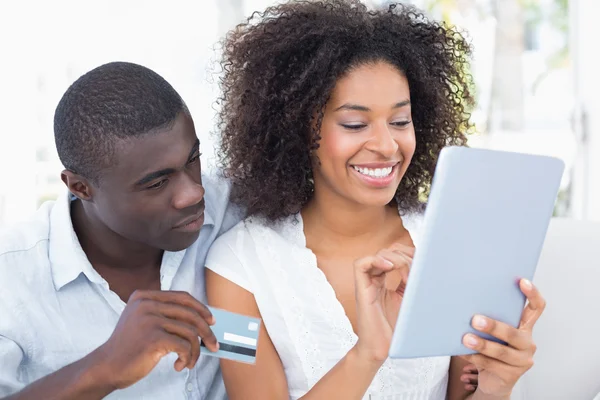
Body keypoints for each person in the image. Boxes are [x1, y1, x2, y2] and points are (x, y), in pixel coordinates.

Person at [204, 1, 544, 399]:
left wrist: (496, 388)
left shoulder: (453, 239)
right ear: (298, 127)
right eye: (355, 124)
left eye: (400, 121)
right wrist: (367, 354)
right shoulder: (232, 268)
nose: (387, 145)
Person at [0, 62, 241, 399]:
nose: (193, 193)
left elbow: (279, 346)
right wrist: (105, 367)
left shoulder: (241, 211)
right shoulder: (11, 280)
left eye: (193, 159)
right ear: (81, 187)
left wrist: (234, 334)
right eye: (157, 183)